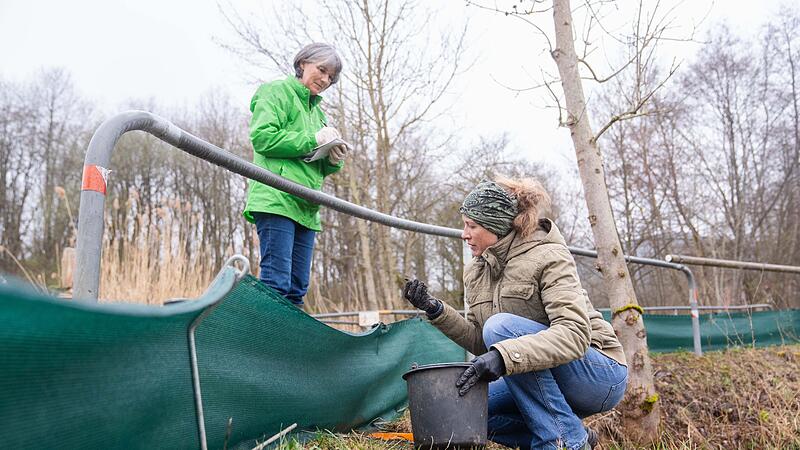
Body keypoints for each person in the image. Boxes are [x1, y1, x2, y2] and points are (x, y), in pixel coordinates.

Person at [403, 177, 628, 450]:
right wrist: (436, 309)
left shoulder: (548, 255)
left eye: (471, 226)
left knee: (501, 328)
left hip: (598, 372)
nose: (464, 234)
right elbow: (480, 340)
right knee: (465, 409)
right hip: (541, 374)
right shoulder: (475, 271)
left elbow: (574, 333)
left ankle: (559, 443)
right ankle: (572, 434)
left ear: (495, 225)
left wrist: (504, 355)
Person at [243, 43, 347, 309]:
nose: (325, 80)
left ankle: (287, 349)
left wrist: (333, 159)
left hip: (306, 206)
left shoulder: (318, 113)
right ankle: (263, 344)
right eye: (321, 70)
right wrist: (312, 139)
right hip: (277, 198)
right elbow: (263, 138)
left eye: (330, 77)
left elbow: (314, 160)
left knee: (297, 289)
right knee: (276, 283)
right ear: (303, 63)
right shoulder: (276, 92)